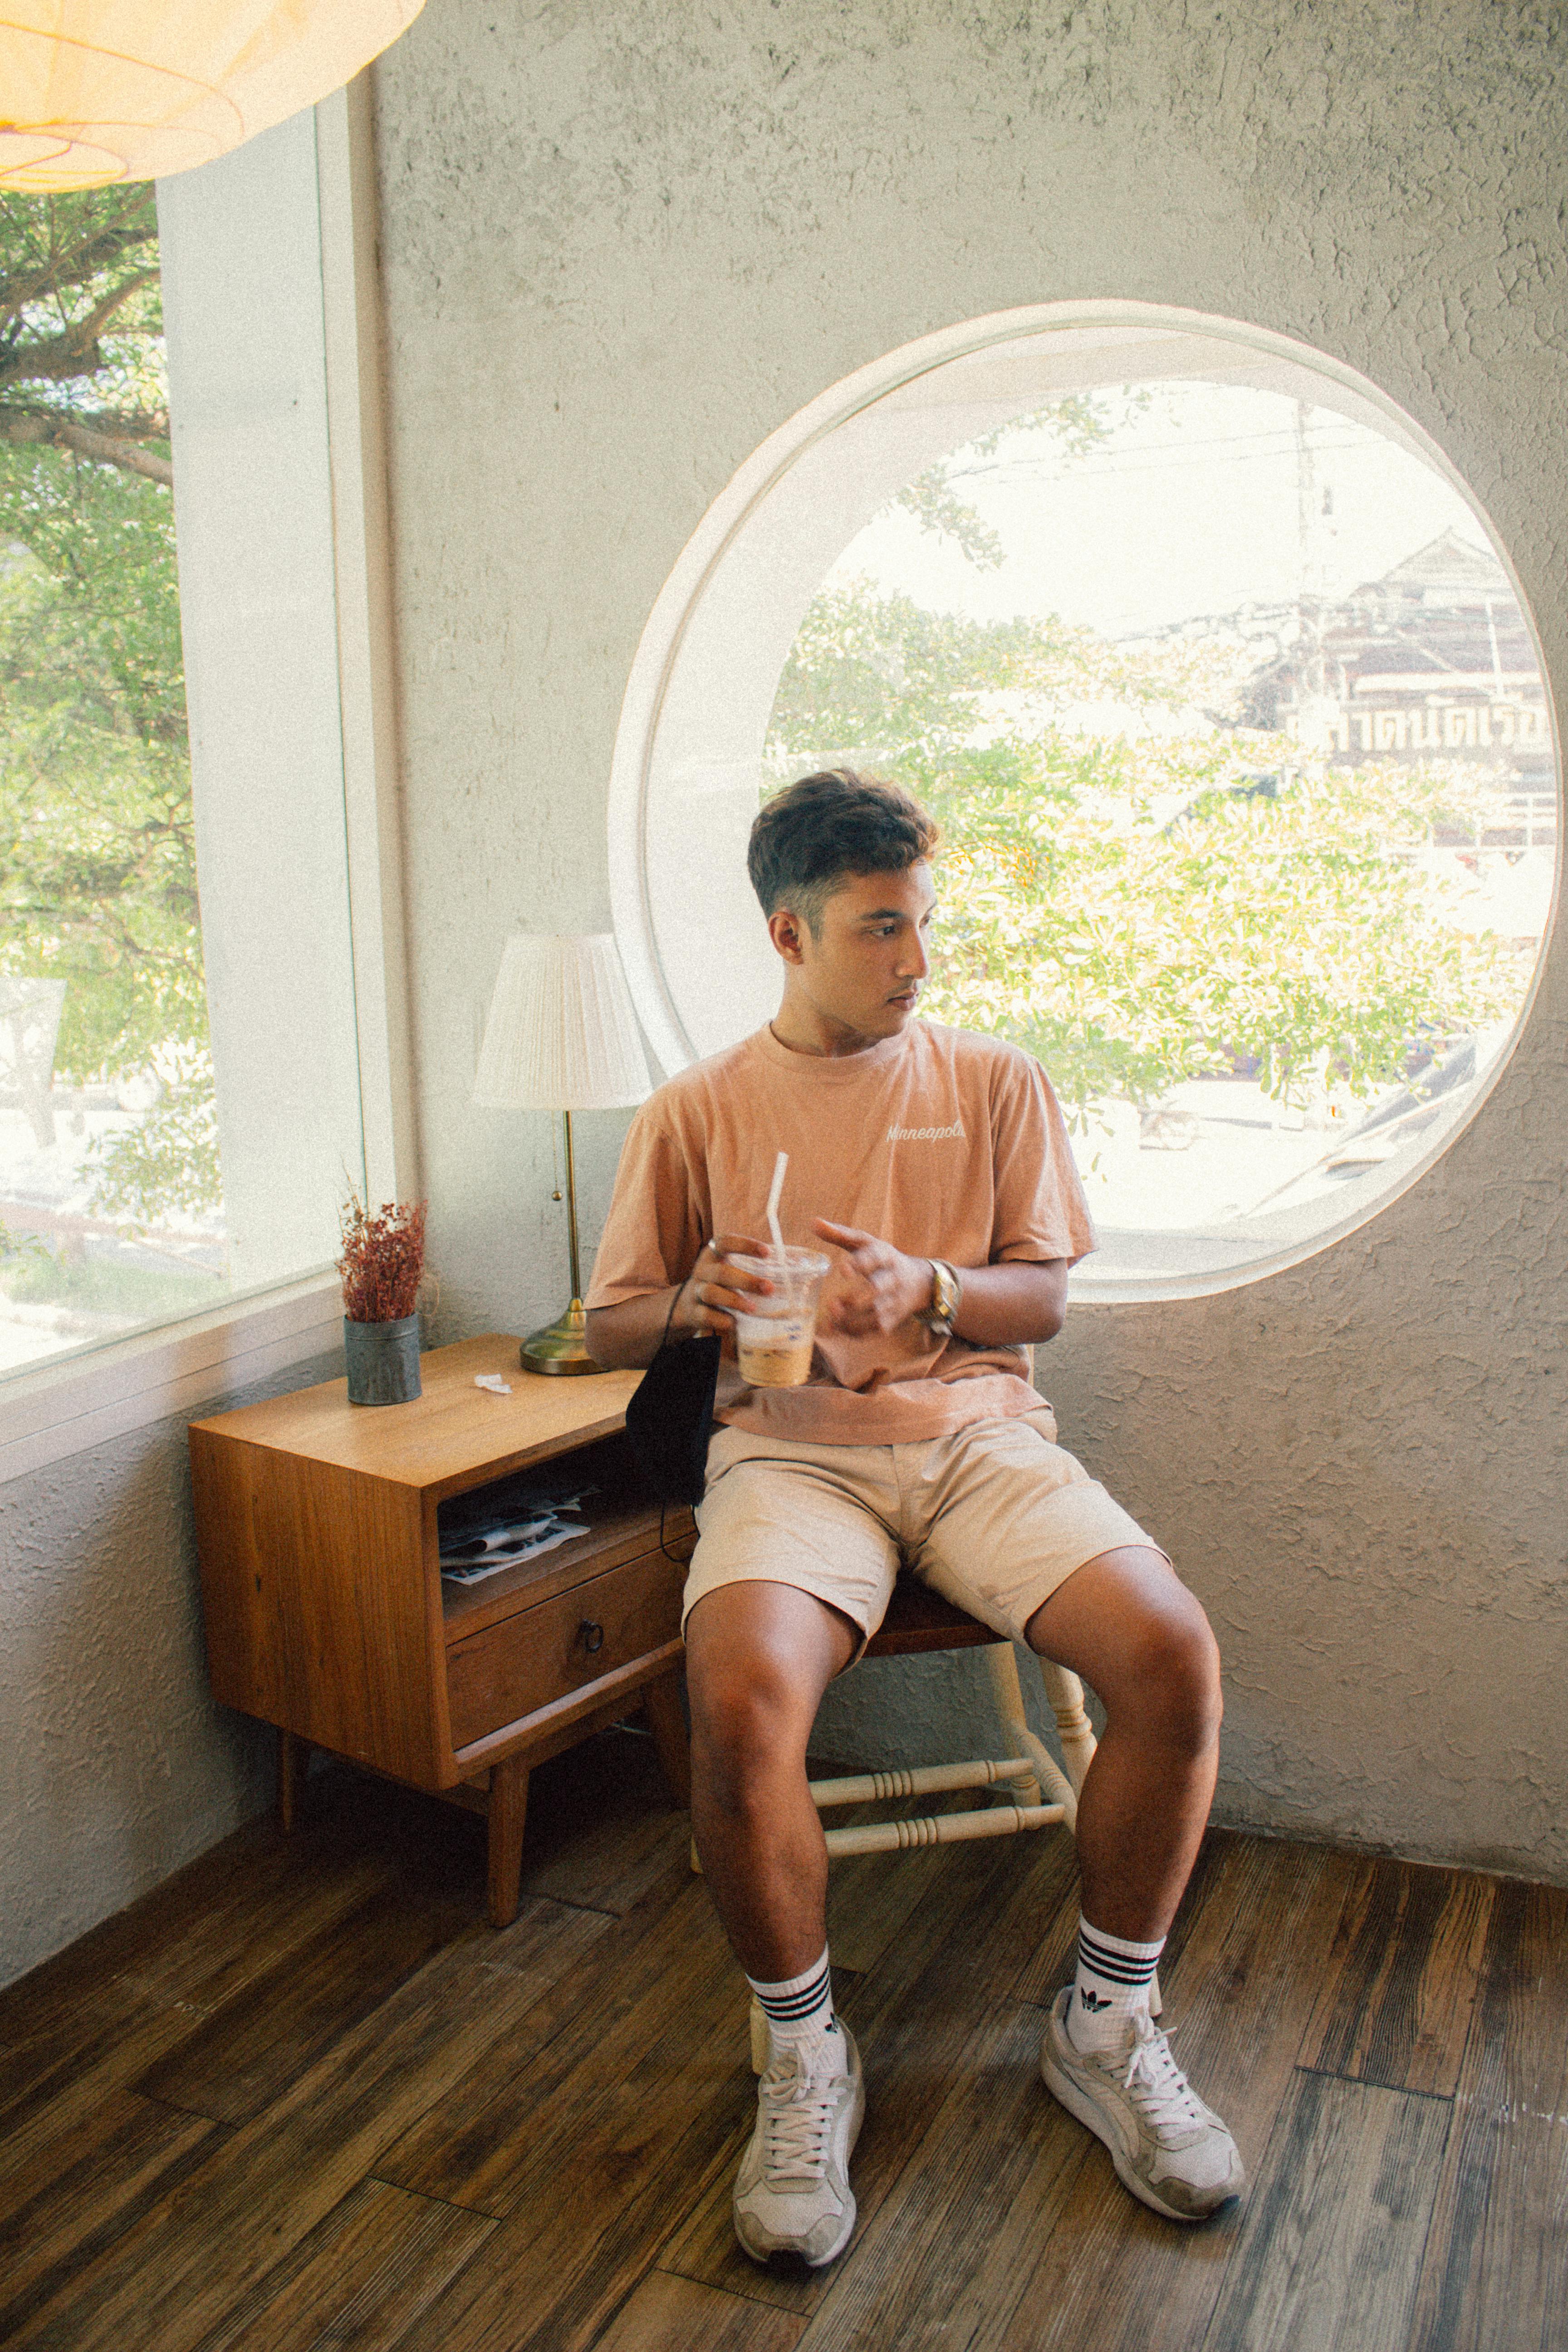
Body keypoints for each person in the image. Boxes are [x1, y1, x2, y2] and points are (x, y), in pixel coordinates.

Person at [585, 769, 1244, 2267]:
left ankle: (1108, 2023)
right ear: (788, 933)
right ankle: (805, 2050)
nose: (917, 960)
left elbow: (1046, 1297)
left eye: (923, 925)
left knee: (1171, 1658)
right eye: (882, 930)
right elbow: (613, 1323)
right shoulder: (695, 1112)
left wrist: (928, 1293)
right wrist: (703, 1299)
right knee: (738, 1698)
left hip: (973, 1437)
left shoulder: (994, 1080)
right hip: (791, 1456)